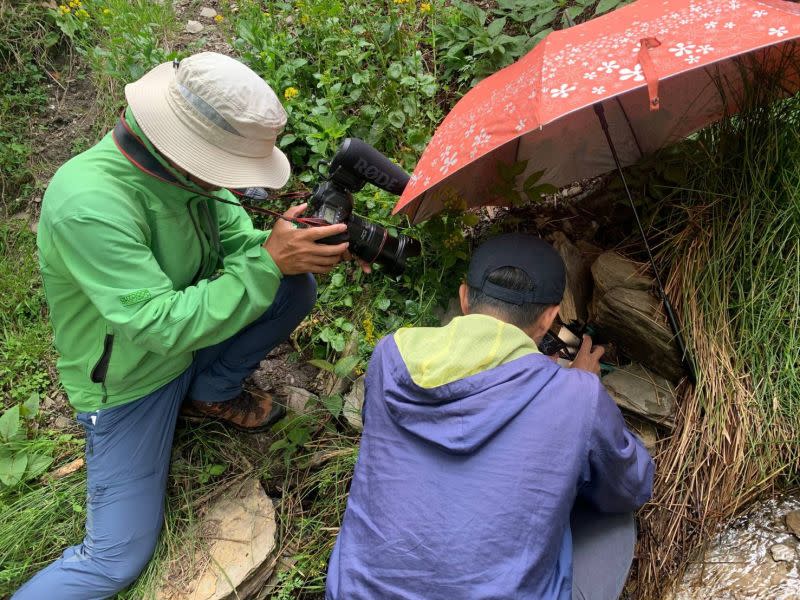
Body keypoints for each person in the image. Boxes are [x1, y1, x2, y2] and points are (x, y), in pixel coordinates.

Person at [14, 52, 355, 599]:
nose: (234, 184)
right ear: (182, 148)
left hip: (184, 345)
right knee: (114, 559)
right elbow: (156, 325)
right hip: (131, 382)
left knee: (293, 286)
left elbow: (242, 243)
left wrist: (296, 247)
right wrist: (268, 261)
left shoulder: (187, 177)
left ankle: (208, 391)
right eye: (226, 168)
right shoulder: (89, 203)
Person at [326, 233, 655, 600]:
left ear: (465, 298)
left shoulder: (390, 357)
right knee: (610, 523)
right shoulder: (578, 395)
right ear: (549, 318)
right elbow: (631, 486)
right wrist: (575, 388)